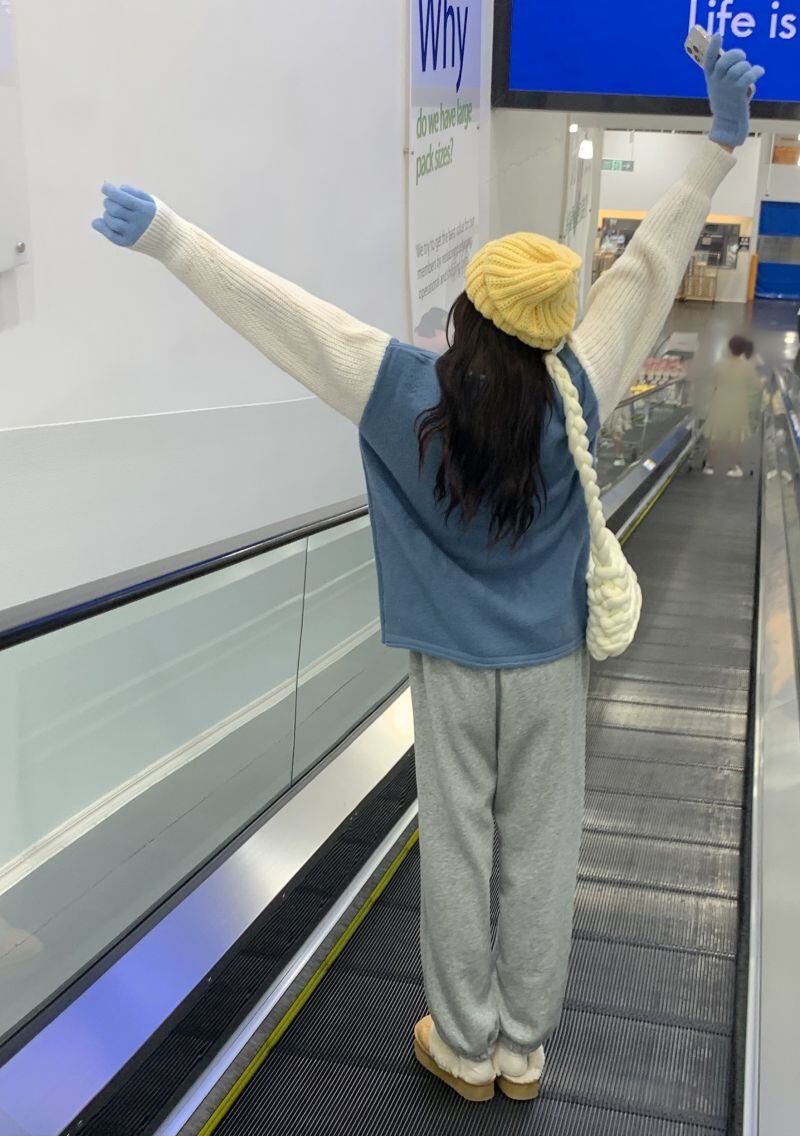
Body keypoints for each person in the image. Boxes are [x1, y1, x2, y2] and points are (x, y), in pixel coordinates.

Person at [92, 38, 762, 1103]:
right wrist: (718, 146)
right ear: (553, 320)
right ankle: (522, 1050)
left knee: (457, 849)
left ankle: (461, 1043)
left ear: (470, 311)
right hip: (548, 665)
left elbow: (286, 317)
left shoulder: (399, 389)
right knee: (539, 850)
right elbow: (645, 272)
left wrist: (170, 237)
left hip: (450, 671)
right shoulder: (581, 386)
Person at [703, 335, 760, 477]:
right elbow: (757, 385)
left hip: (719, 402)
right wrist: (763, 381)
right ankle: (732, 467)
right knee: (735, 437)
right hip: (738, 404)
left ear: (729, 347)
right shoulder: (747, 367)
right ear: (743, 349)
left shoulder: (719, 364)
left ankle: (709, 466)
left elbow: (711, 383)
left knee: (715, 435)